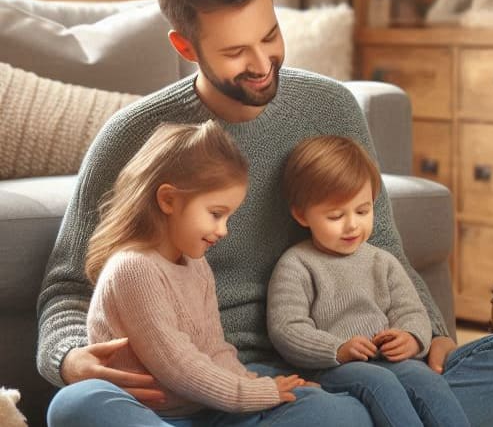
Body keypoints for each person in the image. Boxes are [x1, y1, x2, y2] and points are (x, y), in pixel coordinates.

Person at [39, 0, 493, 427]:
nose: (263, 64)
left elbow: (383, 246)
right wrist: (69, 359)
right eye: (236, 51)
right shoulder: (134, 136)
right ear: (186, 47)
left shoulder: (330, 106)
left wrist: (431, 331)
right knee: (78, 406)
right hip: (189, 384)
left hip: (327, 369)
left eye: (270, 35)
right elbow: (66, 287)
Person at [85, 121, 320, 425]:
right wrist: (254, 393)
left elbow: (214, 349)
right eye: (216, 214)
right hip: (152, 416)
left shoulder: (196, 264)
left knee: (331, 407)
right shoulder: (133, 268)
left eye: (228, 217)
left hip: (205, 407)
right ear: (168, 200)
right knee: (77, 403)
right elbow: (177, 363)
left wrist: (254, 386)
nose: (223, 230)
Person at [268, 135, 469, 427]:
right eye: (336, 216)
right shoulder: (296, 265)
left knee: (426, 380)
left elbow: (411, 311)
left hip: (390, 361)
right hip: (331, 368)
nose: (352, 225)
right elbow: (286, 329)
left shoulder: (382, 261)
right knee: (380, 383)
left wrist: (411, 338)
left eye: (363, 211)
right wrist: (337, 349)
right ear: (302, 214)